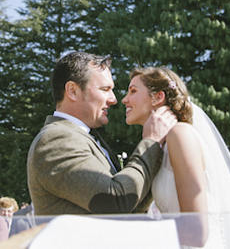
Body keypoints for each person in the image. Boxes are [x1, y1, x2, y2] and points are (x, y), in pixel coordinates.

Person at [122, 66, 230, 248]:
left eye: (133, 91)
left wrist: (132, 233)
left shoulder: (180, 134)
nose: (124, 99)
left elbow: (197, 232)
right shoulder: (163, 145)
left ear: (157, 97)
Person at [27, 52, 176, 215]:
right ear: (72, 91)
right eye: (105, 89)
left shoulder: (86, 137)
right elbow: (114, 200)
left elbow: (127, 210)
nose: (114, 99)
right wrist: (151, 142)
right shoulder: (55, 140)